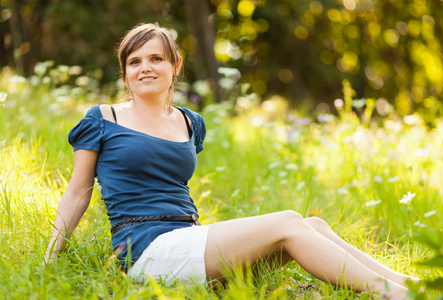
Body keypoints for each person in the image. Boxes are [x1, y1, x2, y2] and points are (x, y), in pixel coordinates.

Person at [44, 23, 419, 297]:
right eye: (135, 61)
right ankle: (389, 292)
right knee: (289, 223)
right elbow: (78, 191)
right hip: (146, 251)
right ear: (125, 72)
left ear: (175, 66)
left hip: (187, 242)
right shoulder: (103, 119)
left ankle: (407, 284)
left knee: (313, 224)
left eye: (156, 58)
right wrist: (50, 258)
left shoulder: (190, 122)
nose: (145, 67)